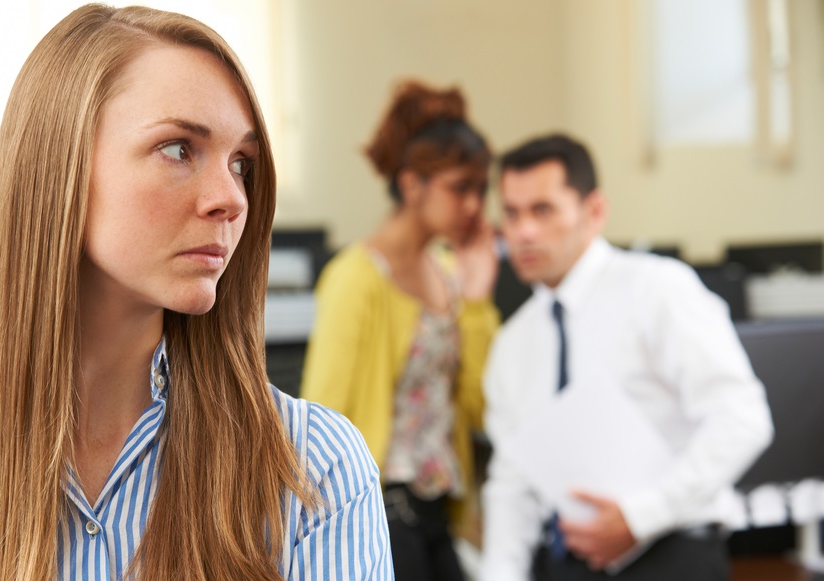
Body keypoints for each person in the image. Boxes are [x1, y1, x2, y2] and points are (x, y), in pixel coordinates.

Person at [0, 5, 393, 580]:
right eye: (178, 148)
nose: (232, 198)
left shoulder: (313, 473)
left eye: (240, 163)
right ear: (58, 167)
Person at [480, 133, 774, 581]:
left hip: (671, 554)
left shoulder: (658, 290)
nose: (523, 232)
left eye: (543, 210)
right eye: (512, 213)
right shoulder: (513, 342)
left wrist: (640, 517)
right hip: (564, 563)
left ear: (594, 211)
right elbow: (512, 483)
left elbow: (742, 419)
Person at [300, 80, 500, 581]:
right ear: (413, 185)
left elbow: (483, 405)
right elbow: (321, 415)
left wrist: (476, 304)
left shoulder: (452, 275)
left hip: (439, 508)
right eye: (461, 188)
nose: (475, 205)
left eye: (481, 189)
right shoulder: (356, 278)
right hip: (377, 508)